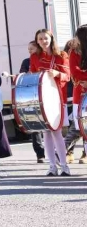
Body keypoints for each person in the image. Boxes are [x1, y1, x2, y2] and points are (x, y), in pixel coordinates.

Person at [30, 29, 71, 176]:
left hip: (57, 97)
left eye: (45, 38)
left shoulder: (61, 55)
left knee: (57, 132)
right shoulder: (34, 57)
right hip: (42, 98)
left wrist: (57, 73)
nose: (43, 41)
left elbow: (68, 76)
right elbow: (33, 75)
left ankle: (65, 166)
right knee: (46, 132)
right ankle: (52, 166)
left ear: (51, 39)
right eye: (40, 39)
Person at [20, 41, 45, 163]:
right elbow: (22, 76)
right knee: (35, 126)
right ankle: (40, 154)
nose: (30, 51)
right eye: (28, 49)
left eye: (32, 48)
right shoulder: (26, 61)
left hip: (45, 94)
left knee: (50, 127)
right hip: (32, 95)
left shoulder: (44, 59)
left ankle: (56, 152)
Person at [67, 27, 87, 164]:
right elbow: (75, 72)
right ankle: (63, 151)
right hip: (79, 95)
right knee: (80, 127)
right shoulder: (74, 52)